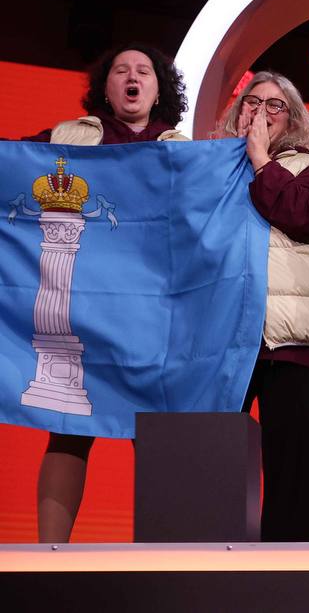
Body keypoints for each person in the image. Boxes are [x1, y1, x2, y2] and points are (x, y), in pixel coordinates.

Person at [20, 43, 189, 543]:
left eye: (143, 71)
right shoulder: (69, 137)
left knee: (153, 434)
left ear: (158, 89)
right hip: (83, 308)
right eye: (121, 70)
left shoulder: (183, 149)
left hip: (153, 316)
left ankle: (163, 560)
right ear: (106, 87)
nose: (132, 77)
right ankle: (49, 558)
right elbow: (15, 166)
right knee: (68, 429)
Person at [216, 70, 309, 542]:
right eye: (253, 101)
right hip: (224, 338)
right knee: (211, 466)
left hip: (291, 340)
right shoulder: (213, 166)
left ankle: (289, 574)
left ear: (293, 119)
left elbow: (303, 218)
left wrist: (262, 160)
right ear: (237, 110)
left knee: (292, 474)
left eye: (275, 105)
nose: (262, 112)